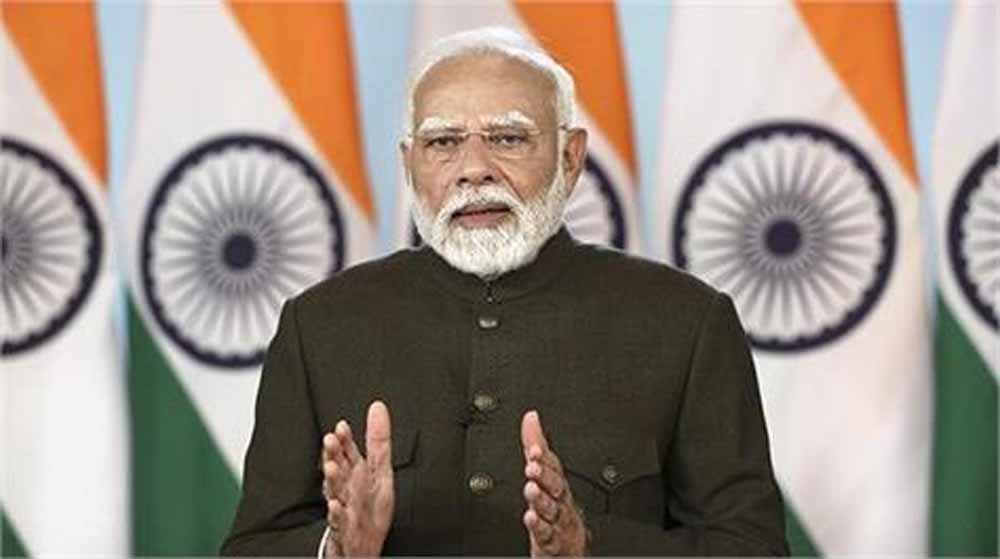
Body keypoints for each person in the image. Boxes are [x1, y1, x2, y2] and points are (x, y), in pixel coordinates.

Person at [221, 27, 788, 556]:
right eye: (442, 142)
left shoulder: (686, 323)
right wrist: (338, 549)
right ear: (409, 164)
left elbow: (752, 548)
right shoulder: (319, 326)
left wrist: (589, 546)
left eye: (508, 138)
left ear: (570, 158)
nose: (474, 169)